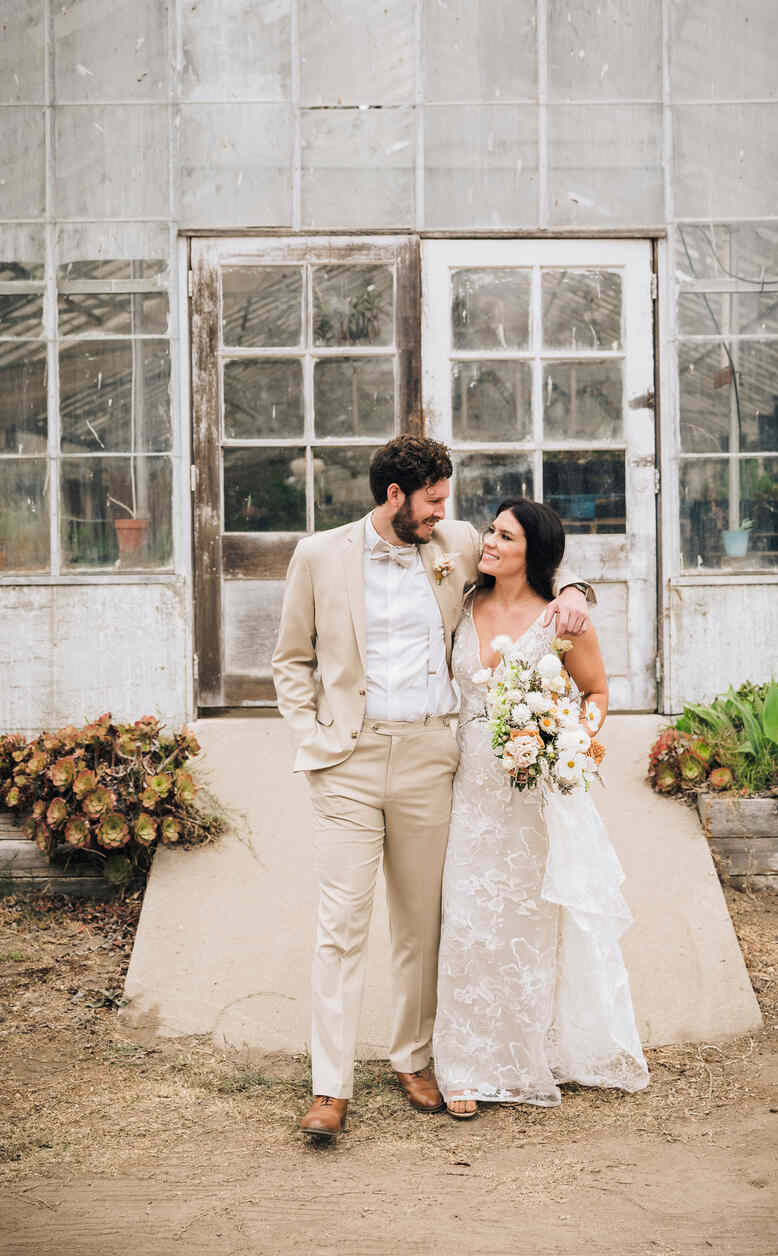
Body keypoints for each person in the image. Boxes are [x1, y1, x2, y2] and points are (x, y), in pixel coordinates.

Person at [271, 435, 594, 1141]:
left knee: (420, 925)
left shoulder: (449, 542)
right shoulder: (319, 556)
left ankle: (413, 1058)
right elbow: (289, 659)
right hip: (347, 763)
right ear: (396, 496)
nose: (447, 512)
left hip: (428, 757)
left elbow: (531, 557)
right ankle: (330, 1087)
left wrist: (574, 589)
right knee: (341, 927)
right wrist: (312, 735)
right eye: (435, 498)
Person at [433, 497, 649, 1118]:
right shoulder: (463, 603)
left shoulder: (561, 618)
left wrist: (574, 740)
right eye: (491, 533)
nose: (490, 543)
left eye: (504, 536)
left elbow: (597, 692)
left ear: (535, 551)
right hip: (469, 783)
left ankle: (527, 1055)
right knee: (470, 920)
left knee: (528, 923)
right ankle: (465, 1065)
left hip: (533, 792)